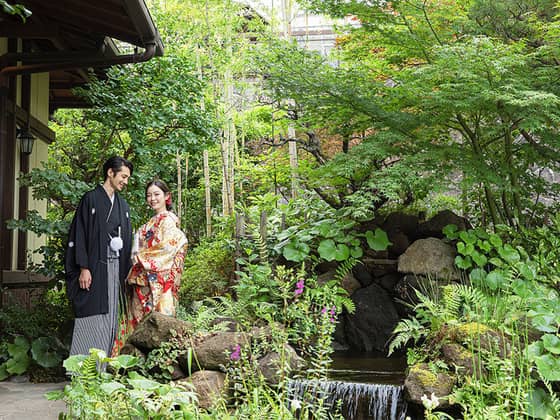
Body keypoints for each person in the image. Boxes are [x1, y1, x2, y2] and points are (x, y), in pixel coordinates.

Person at [64, 156, 133, 358]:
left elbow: (127, 239)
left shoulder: (123, 206)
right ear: (110, 173)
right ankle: (82, 371)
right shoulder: (91, 199)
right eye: (123, 176)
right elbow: (79, 234)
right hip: (94, 267)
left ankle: (100, 370)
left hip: (115, 267)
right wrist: (83, 267)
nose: (125, 182)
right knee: (91, 314)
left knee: (111, 316)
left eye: (128, 178)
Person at [126, 179, 188, 329]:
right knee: (141, 326)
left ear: (167, 196)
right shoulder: (149, 223)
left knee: (160, 324)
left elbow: (168, 248)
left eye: (156, 194)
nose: (152, 199)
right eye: (149, 195)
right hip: (144, 280)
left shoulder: (168, 220)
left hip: (160, 280)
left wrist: (141, 259)